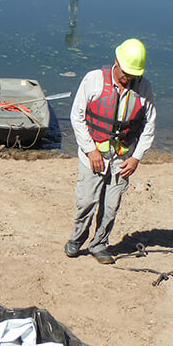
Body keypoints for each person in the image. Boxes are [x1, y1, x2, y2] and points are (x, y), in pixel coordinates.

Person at [64, 38, 156, 265]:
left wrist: (136, 158)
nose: (129, 78)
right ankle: (77, 240)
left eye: (133, 74)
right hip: (93, 156)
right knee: (86, 201)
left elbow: (149, 126)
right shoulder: (93, 80)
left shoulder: (144, 89)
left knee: (111, 206)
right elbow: (77, 116)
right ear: (116, 61)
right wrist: (90, 150)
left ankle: (99, 244)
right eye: (126, 73)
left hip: (121, 159)